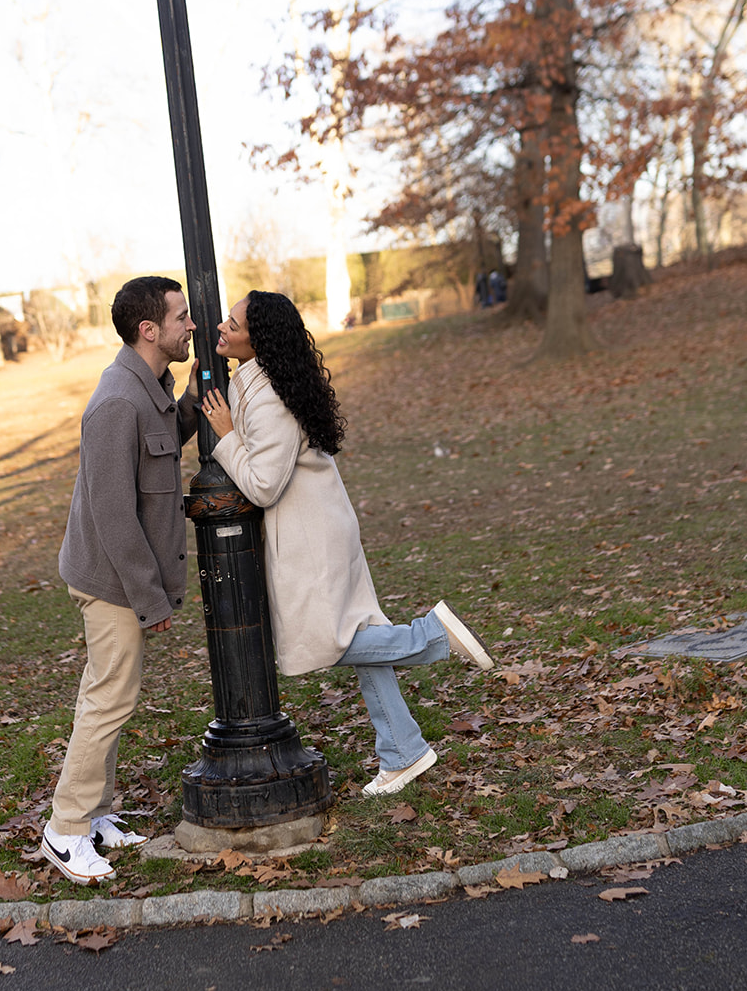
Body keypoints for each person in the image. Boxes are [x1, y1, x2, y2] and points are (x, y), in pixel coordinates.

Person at [201, 290, 493, 797]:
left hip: (310, 540)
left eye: (233, 323)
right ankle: (403, 751)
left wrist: (225, 436)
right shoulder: (261, 381)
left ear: (259, 339)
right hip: (320, 527)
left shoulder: (268, 396)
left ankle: (432, 636)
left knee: (329, 643)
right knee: (357, 640)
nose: (222, 328)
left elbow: (264, 485)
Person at [41, 275, 198, 883]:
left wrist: (195, 402)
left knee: (102, 694)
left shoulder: (149, 388)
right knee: (111, 698)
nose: (191, 326)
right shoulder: (115, 402)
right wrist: (148, 596)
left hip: (117, 577)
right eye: (181, 318)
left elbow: (158, 448)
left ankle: (97, 813)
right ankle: (66, 829)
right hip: (109, 579)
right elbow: (112, 514)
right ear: (149, 330)